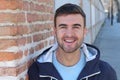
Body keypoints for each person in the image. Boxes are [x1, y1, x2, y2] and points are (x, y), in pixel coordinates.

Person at [28, 3, 117, 80]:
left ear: (84, 31)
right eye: (63, 27)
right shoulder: (36, 72)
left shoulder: (105, 73)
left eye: (76, 27)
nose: (69, 34)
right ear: (55, 31)